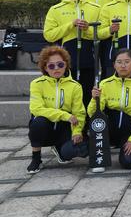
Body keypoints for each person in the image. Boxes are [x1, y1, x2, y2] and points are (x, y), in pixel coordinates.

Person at [88, 48, 131, 171]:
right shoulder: (104, 84)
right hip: (111, 130)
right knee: (98, 124)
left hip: (130, 131)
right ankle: (100, 159)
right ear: (114, 65)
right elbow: (92, 113)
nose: (123, 65)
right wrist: (94, 99)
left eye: (127, 62)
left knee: (128, 162)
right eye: (119, 62)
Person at [27, 46, 87, 174]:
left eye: (60, 64)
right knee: (38, 122)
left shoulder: (75, 86)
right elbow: (36, 109)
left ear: (66, 65)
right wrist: (65, 115)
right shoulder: (36, 84)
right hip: (46, 127)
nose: (56, 68)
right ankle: (36, 158)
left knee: (76, 151)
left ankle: (60, 149)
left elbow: (79, 112)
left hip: (64, 128)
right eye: (51, 66)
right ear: (45, 67)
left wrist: (77, 132)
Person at [43, 0, 101, 103]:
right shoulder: (56, 9)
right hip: (65, 57)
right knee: (67, 93)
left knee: (87, 92)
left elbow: (101, 33)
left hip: (88, 56)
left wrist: (87, 29)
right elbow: (49, 35)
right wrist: (70, 25)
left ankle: (86, 115)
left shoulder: (96, 8)